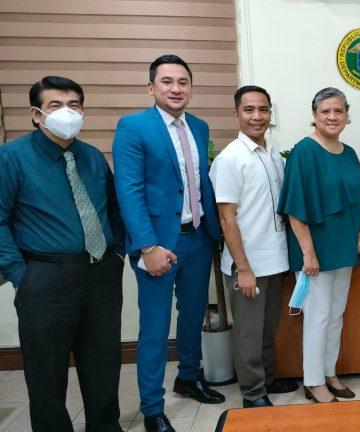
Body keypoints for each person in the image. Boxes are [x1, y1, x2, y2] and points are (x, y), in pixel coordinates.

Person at [0, 76, 125, 432]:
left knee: (103, 365)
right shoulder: (11, 158)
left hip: (100, 275)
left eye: (74, 105)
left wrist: (117, 254)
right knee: (47, 374)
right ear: (36, 114)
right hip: (45, 278)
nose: (67, 113)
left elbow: (113, 210)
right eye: (55, 106)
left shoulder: (92, 157)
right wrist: (20, 274)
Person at [113, 55, 224, 432]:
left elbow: (201, 182)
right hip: (158, 245)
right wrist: (147, 247)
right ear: (151, 87)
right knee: (155, 328)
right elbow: (128, 190)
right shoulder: (133, 126)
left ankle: (188, 377)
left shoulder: (200, 127)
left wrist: (217, 233)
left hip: (198, 238)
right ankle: (152, 408)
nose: (176, 89)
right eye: (167, 82)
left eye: (183, 82)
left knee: (193, 316)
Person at [277, 87, 360, 403]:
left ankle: (330, 372)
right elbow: (294, 209)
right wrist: (308, 253)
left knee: (335, 316)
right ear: (314, 115)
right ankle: (314, 381)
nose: (332, 117)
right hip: (315, 252)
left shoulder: (349, 153)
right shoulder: (304, 152)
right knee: (317, 318)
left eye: (338, 111)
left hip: (345, 249)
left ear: (346, 115)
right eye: (325, 111)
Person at [209, 85, 298, 408]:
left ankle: (268, 379)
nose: (257, 116)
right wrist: (243, 269)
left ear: (270, 113)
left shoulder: (273, 155)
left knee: (266, 331)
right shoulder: (230, 159)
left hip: (275, 260)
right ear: (236, 114)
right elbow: (227, 218)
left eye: (263, 109)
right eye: (249, 110)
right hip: (247, 265)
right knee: (248, 334)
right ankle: (253, 392)